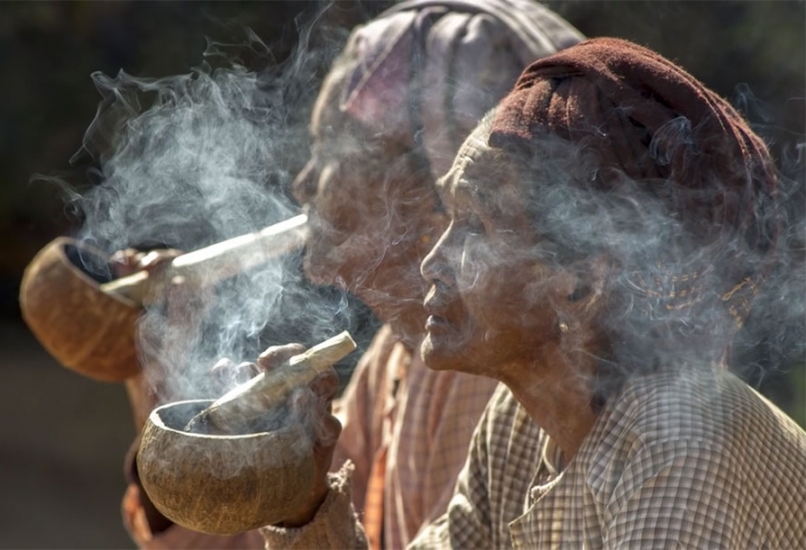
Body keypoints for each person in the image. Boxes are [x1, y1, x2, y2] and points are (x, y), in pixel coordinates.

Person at [257, 37, 806, 549]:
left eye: (476, 225)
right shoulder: (519, 423)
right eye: (452, 217)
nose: (432, 263)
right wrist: (303, 500)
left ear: (581, 284)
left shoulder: (676, 447)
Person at [118, 2, 585, 549]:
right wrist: (174, 392)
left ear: (426, 184)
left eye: (327, 148)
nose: (303, 182)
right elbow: (254, 536)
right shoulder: (397, 358)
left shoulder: (487, 373)